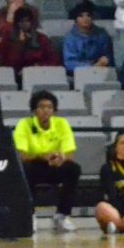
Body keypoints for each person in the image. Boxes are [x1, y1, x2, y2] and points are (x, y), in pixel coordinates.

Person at [12, 90, 82, 232]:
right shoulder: (24, 124)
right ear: (34, 110)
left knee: (74, 169)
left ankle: (61, 215)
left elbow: (69, 151)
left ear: (54, 110)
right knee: (25, 169)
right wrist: (42, 156)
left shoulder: (62, 124)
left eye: (49, 107)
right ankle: (29, 215)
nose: (46, 110)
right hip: (34, 163)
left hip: (54, 165)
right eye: (41, 107)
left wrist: (60, 159)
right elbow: (21, 155)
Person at [0, 6, 58, 78]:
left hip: (40, 74)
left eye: (27, 21)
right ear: (16, 23)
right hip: (15, 77)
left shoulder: (42, 39)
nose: (24, 24)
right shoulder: (7, 41)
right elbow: (6, 64)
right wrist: (19, 44)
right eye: (21, 21)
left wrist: (38, 66)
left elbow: (53, 60)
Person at [61, 0, 114, 74]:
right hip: (78, 74)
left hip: (102, 72)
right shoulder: (70, 38)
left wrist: (104, 61)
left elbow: (108, 55)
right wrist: (92, 66)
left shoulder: (102, 35)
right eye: (81, 16)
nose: (85, 19)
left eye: (88, 15)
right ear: (76, 19)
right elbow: (69, 63)